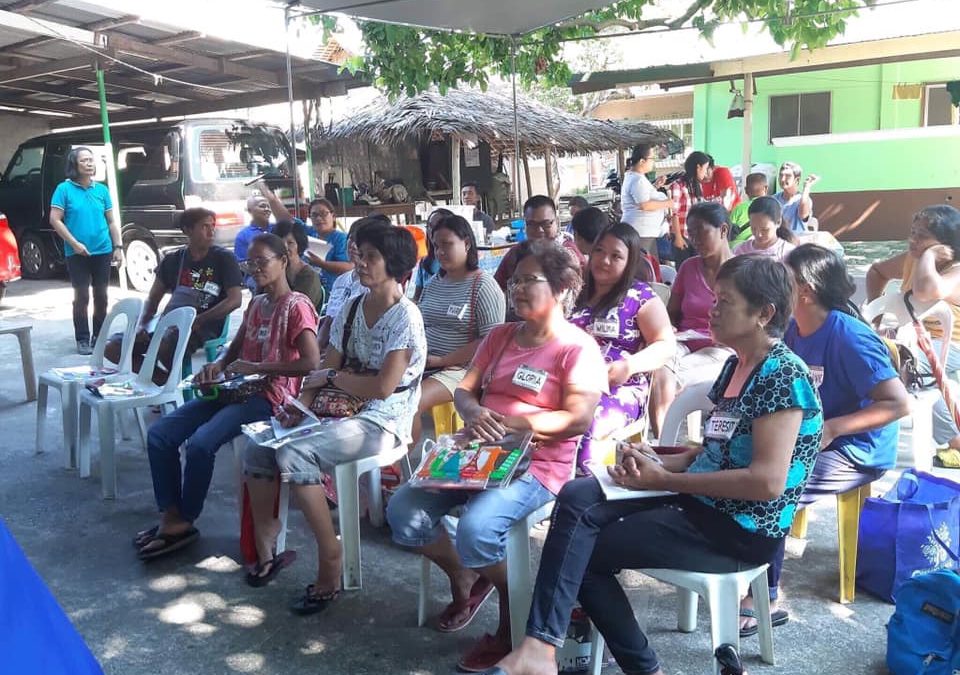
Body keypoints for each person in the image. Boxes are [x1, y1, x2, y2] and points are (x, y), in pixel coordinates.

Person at [490, 254, 823, 675]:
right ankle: (540, 649)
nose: (712, 309)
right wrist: (663, 458)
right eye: (716, 298)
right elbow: (720, 449)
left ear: (764, 313)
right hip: (704, 502)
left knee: (583, 553)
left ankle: (627, 666)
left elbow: (767, 482)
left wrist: (666, 481)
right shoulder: (736, 365)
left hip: (740, 528)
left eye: (726, 301)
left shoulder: (781, 376)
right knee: (577, 494)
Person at [387, 239, 607, 672]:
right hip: (478, 453)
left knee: (476, 530)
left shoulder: (577, 349)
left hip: (538, 465)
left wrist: (515, 424)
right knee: (403, 512)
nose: (518, 289)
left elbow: (578, 419)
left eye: (530, 280)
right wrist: (474, 411)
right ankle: (476, 577)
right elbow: (466, 389)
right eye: (515, 281)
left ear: (561, 288)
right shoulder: (501, 336)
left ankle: (513, 616)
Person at [242, 224, 425, 605]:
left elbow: (382, 388)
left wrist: (334, 378)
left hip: (383, 419)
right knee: (259, 448)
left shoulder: (406, 318)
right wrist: (300, 406)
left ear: (395, 264)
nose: (359, 262)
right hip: (339, 410)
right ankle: (267, 546)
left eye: (370, 257)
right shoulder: (353, 307)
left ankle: (330, 555)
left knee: (295, 454)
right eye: (359, 254)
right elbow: (327, 367)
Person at [735, 244, 910, 635]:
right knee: (741, 466)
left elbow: (898, 404)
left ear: (806, 289)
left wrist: (832, 428)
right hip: (811, 439)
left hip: (857, 449)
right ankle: (732, 565)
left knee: (776, 487)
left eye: (784, 276)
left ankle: (766, 596)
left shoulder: (849, 337)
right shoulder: (793, 328)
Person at [134, 233, 320, 561]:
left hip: (270, 396)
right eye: (251, 263)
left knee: (202, 443)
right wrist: (217, 367)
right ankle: (171, 513)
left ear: (283, 261)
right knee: (161, 434)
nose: (256, 269)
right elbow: (236, 347)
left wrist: (258, 366)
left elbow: (310, 362)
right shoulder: (257, 304)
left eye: (263, 262)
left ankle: (185, 518)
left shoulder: (297, 305)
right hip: (237, 387)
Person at [569, 222, 676, 469]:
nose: (604, 260)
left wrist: (629, 366)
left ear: (629, 262)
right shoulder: (573, 291)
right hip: (567, 380)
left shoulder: (640, 296)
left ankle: (581, 493)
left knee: (586, 421)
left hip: (617, 387)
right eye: (599, 251)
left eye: (615, 256)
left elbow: (666, 345)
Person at [104, 208, 242, 384]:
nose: (211, 231)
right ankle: (163, 383)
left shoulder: (224, 258)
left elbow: (235, 300)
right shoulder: (173, 260)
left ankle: (175, 386)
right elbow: (153, 299)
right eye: (204, 226)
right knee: (113, 347)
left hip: (206, 324)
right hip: (168, 323)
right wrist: (143, 325)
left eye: (212, 226)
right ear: (188, 230)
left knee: (164, 345)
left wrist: (198, 320)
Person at [867, 204, 960, 449]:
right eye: (913, 232)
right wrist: (875, 323)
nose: (913, 240)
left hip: (951, 345)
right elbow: (876, 271)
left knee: (901, 361)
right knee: (874, 350)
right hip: (915, 339)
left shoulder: (956, 271)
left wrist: (930, 255)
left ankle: (954, 438)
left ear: (945, 245)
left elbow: (925, 290)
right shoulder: (912, 258)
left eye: (922, 236)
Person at [413, 213, 505, 443]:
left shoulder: (483, 285)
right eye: (436, 246)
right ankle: (386, 465)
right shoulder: (435, 282)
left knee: (412, 401)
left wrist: (441, 360)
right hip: (425, 364)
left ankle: (401, 468)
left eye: (447, 244)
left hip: (463, 371)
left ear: (466, 243)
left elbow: (491, 341)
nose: (440, 252)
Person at [650, 202, 734, 437]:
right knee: (659, 369)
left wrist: (730, 338)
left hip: (722, 347)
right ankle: (664, 444)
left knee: (672, 378)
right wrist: (670, 331)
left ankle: (666, 449)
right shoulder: (688, 267)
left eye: (701, 232)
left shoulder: (741, 272)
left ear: (723, 230)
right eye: (691, 232)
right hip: (685, 341)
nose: (694, 239)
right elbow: (672, 313)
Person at [49, 147, 124, 355]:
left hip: (103, 250)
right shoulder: (63, 190)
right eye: (84, 160)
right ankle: (82, 338)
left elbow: (111, 221)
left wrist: (118, 246)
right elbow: (55, 219)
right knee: (81, 296)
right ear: (74, 165)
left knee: (102, 295)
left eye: (92, 160)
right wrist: (74, 243)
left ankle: (99, 337)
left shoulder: (101, 190)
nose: (90, 163)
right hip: (77, 253)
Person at [317, 215, 388, 350]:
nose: (353, 245)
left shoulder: (374, 285)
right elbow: (328, 322)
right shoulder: (341, 280)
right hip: (332, 348)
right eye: (350, 238)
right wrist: (317, 350)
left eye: (358, 241)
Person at [494, 195, 586, 292]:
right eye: (532, 224)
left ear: (557, 222)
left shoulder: (570, 253)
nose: (539, 230)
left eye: (546, 224)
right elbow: (496, 289)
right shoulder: (515, 254)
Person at [620, 144, 673, 256]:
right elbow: (645, 205)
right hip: (641, 232)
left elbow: (644, 196)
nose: (653, 162)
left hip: (645, 232)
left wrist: (655, 186)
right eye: (651, 159)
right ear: (642, 161)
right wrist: (667, 203)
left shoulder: (636, 177)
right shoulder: (637, 179)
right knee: (644, 267)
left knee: (651, 266)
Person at [667, 151, 712, 264]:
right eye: (705, 168)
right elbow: (674, 213)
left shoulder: (697, 186)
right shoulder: (677, 185)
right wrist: (678, 237)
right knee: (683, 269)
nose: (706, 173)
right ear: (698, 167)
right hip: (682, 236)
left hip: (696, 236)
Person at [303, 197, 352, 293]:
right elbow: (286, 218)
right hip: (312, 290)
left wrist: (322, 264)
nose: (318, 218)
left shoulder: (341, 238)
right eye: (314, 215)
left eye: (323, 214)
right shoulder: (310, 233)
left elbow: (349, 267)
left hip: (334, 292)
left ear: (333, 216)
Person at [273, 219, 324, 310]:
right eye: (280, 243)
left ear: (299, 245)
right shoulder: (271, 272)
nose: (284, 247)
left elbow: (296, 310)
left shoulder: (309, 276)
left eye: (290, 243)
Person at [733, 196, 797, 260]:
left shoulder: (787, 253)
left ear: (778, 222)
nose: (758, 234)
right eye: (753, 228)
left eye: (764, 229)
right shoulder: (740, 251)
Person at [414, 208, 454, 302]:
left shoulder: (458, 263)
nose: (432, 231)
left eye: (438, 226)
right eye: (429, 226)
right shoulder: (425, 262)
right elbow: (417, 298)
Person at [774, 161, 819, 234]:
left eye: (787, 176)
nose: (782, 179)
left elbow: (803, 215)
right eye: (781, 175)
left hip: (797, 241)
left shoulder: (803, 199)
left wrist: (806, 188)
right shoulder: (774, 199)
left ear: (797, 180)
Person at [729, 172, 770, 244]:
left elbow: (730, 231)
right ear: (766, 188)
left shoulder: (738, 208)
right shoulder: (771, 207)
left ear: (746, 190)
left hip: (737, 249)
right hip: (761, 247)